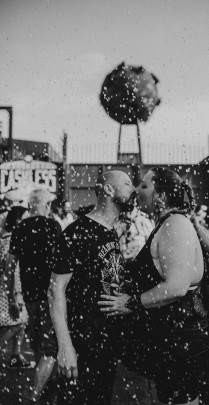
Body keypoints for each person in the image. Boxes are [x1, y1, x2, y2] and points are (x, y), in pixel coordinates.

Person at [99, 167, 209, 405]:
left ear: (161, 196)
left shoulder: (174, 225)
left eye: (145, 186)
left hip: (180, 340)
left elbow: (176, 287)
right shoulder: (165, 223)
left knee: (181, 401)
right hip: (171, 338)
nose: (138, 190)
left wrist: (130, 303)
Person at [48, 171, 136, 405]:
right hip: (83, 344)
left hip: (105, 344)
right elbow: (55, 291)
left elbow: (110, 279)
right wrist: (65, 346)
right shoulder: (76, 233)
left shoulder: (110, 231)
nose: (134, 189)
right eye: (127, 184)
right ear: (108, 190)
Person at [5, 188, 61, 404]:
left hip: (30, 297)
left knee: (39, 347)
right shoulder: (53, 226)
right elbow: (63, 263)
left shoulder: (20, 228)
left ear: (30, 206)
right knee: (50, 351)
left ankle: (48, 388)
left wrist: (12, 297)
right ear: (47, 206)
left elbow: (10, 267)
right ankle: (34, 396)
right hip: (50, 296)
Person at [0, 206, 30, 368]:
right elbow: (9, 271)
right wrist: (14, 296)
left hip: (13, 288)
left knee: (21, 323)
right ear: (18, 220)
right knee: (16, 323)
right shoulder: (11, 240)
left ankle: (15, 356)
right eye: (26, 217)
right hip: (9, 290)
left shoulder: (11, 238)